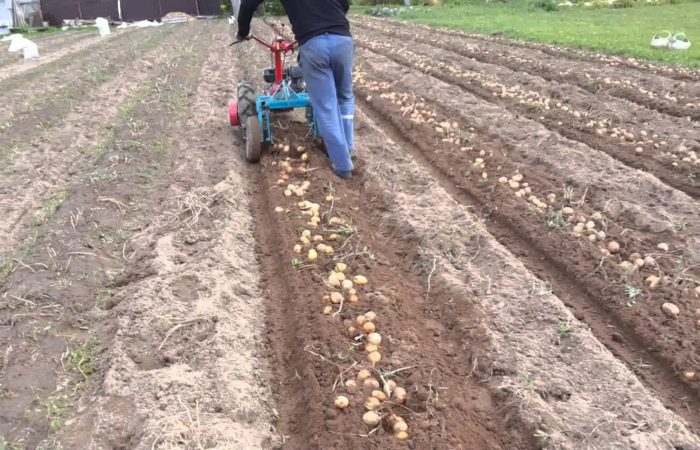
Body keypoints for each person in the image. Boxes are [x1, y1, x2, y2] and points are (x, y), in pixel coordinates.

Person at [236, 0, 355, 180]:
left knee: (326, 106)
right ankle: (348, 148)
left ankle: (343, 166)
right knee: (344, 98)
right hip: (343, 40)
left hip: (314, 45)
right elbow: (345, 4)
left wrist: (243, 31)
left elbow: (248, 3)